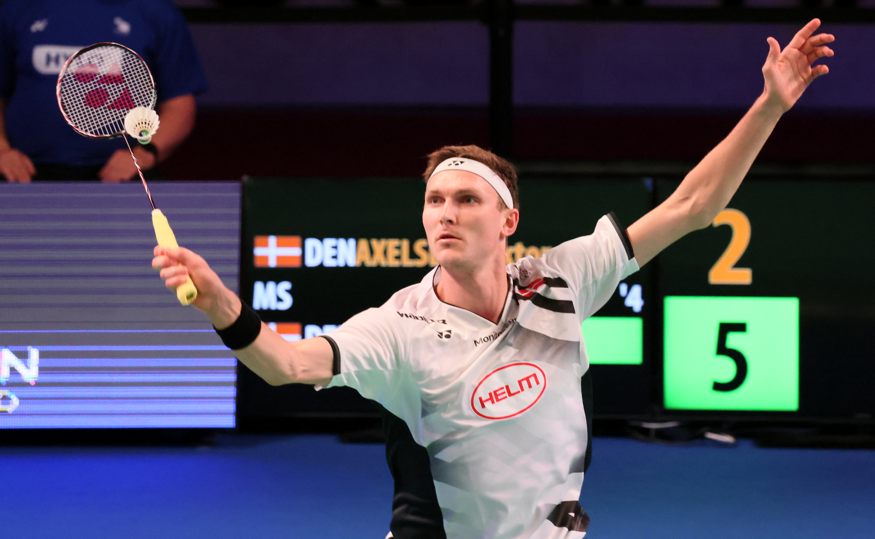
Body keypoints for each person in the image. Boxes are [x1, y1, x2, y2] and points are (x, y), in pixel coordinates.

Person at [153, 19, 833, 538]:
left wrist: (769, 105)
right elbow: (286, 364)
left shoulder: (562, 277)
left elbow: (693, 206)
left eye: (466, 199)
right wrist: (221, 303)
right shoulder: (397, 326)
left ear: (508, 220)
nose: (444, 213)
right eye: (434, 200)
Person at [0, 0, 207, 182]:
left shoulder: (157, 11)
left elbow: (179, 105)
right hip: (25, 173)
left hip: (124, 175)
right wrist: (2, 152)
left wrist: (143, 155)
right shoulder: (17, 7)